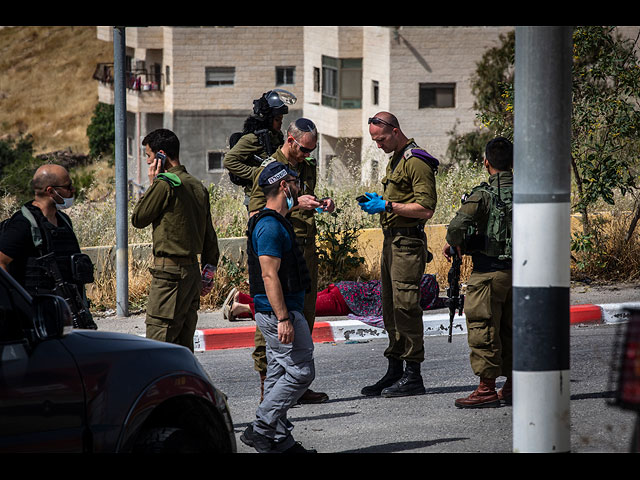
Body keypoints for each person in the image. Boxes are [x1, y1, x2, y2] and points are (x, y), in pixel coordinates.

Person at [248, 117, 334, 404]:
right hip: (279, 250)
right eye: (303, 149)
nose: (306, 156)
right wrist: (298, 204)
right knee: (276, 314)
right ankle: (268, 385)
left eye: (311, 150)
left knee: (303, 314)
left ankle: (296, 381)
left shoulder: (307, 167)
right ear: (290, 140)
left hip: (304, 248)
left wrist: (321, 203)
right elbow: (257, 214)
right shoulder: (270, 170)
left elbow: (305, 200)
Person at [358, 112, 438, 398]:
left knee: (406, 307)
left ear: (394, 131)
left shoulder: (415, 161)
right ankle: (395, 369)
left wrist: (388, 206)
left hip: (407, 244)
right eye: (374, 141)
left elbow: (426, 208)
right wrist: (379, 203)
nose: (378, 145)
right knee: (390, 308)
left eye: (380, 139)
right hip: (392, 243)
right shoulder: (396, 158)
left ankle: (413, 375)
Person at [240, 161, 317, 453]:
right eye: (296, 181)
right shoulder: (270, 226)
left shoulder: (276, 219)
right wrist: (284, 318)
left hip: (280, 311)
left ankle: (281, 442)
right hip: (278, 313)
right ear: (284, 186)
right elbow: (269, 275)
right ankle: (261, 426)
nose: (299, 186)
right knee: (301, 372)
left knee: (277, 374)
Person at [131, 128, 220, 353]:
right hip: (191, 274)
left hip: (168, 276)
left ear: (161, 155)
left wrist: (153, 183)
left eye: (149, 156)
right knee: (183, 345)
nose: (148, 161)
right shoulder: (197, 185)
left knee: (158, 342)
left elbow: (138, 218)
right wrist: (207, 275)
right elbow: (210, 236)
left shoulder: (165, 184)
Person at [442, 136, 513, 408]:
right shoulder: (529, 191)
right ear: (513, 163)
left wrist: (456, 243)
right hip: (521, 273)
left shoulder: (482, 195)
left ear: (486, 163)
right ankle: (513, 386)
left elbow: (456, 227)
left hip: (488, 274)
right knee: (512, 329)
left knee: (483, 327)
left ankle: (486, 389)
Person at [0, 163, 97, 329]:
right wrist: (17, 304)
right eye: (68, 186)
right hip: (36, 318)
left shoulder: (64, 221)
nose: (73, 190)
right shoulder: (23, 224)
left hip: (65, 311)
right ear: (51, 191)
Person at [224, 274, 445, 325]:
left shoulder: (397, 281)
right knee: (294, 307)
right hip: (342, 301)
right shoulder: (398, 296)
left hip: (341, 289)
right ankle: (241, 307)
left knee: (294, 301)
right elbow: (380, 314)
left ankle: (244, 298)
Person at [223, 89, 295, 208]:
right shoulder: (252, 138)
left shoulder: (276, 136)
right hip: (257, 197)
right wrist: (256, 174)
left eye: (281, 119)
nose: (280, 123)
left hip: (273, 194)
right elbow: (229, 160)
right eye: (277, 120)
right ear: (268, 119)